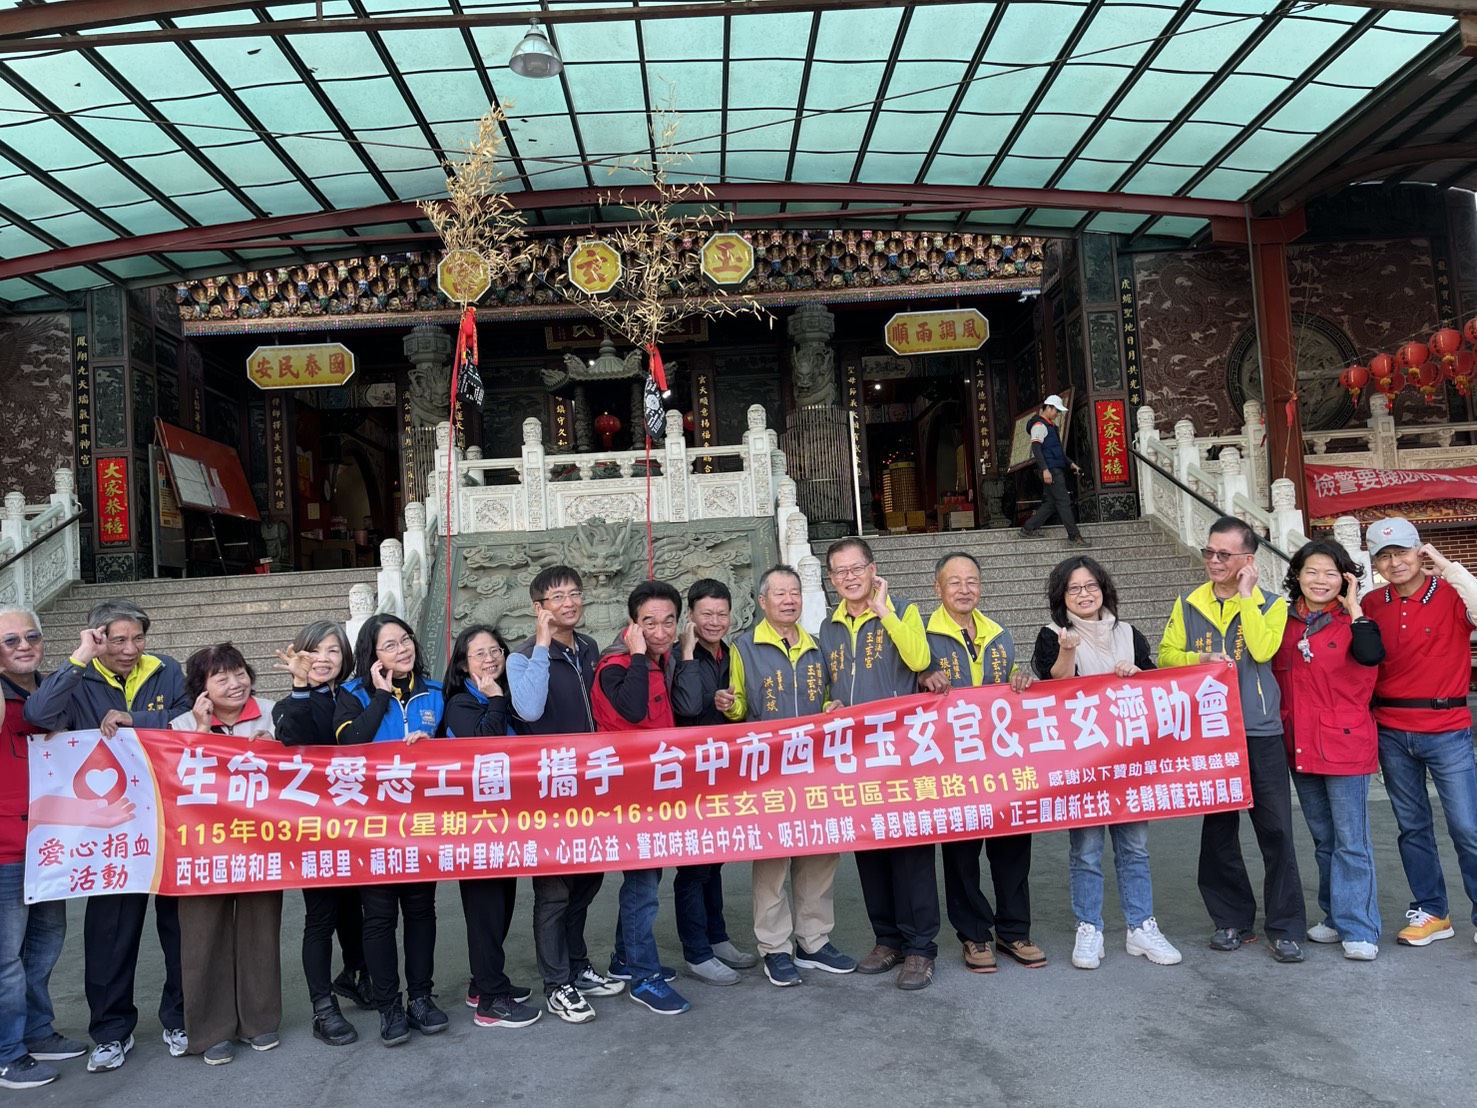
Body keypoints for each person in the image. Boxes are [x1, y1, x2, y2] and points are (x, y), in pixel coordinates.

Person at [24, 599, 190, 1071]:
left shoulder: (166, 670)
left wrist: (136, 719)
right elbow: (39, 715)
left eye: (138, 638)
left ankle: (179, 1018)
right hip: (109, 832)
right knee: (110, 934)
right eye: (118, 640)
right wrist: (80, 656)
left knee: (181, 929)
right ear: (97, 638)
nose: (130, 649)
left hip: (170, 820)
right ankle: (111, 1031)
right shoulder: (76, 678)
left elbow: (189, 719)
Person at [1159, 517, 1306, 963]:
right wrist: (1199, 657)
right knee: (1219, 832)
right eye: (1209, 552)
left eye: (1225, 554)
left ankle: (1285, 927)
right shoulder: (1189, 602)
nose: (1214, 561)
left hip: (1259, 729)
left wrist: (1245, 596)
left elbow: (1261, 650)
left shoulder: (1272, 605)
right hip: (1211, 733)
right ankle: (1231, 920)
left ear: (1248, 560)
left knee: (1276, 830)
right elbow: (1165, 657)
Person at [1031, 556, 1181, 970]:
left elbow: (1156, 691)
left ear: (1103, 588)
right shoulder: (1052, 635)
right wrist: (1067, 652)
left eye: (1091, 586)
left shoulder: (1129, 634)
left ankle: (1141, 927)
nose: (1084, 594)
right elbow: (1054, 687)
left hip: (1129, 764)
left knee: (1135, 848)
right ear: (1061, 596)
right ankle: (1089, 928)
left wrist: (1137, 673)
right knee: (1086, 849)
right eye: (1074, 588)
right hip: (1082, 765)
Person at [504, 567, 624, 1022]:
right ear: (539, 608)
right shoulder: (521, 658)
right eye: (557, 597)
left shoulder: (588, 647)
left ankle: (576, 965)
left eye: (575, 593)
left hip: (592, 785)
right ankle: (557, 985)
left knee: (588, 880)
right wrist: (541, 643)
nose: (569, 603)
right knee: (554, 891)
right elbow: (530, 708)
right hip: (550, 791)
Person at [725, 565, 849, 987]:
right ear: (762, 602)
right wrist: (729, 705)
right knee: (773, 860)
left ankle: (814, 940)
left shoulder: (816, 646)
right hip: (770, 773)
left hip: (815, 770)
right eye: (779, 593)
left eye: (794, 592)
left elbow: (829, 696)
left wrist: (831, 707)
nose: (789, 599)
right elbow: (740, 707)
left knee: (819, 856)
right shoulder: (743, 648)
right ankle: (775, 948)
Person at [921, 552, 1043, 976]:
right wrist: (922, 677)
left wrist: (1022, 679)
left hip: (1003, 763)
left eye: (971, 581)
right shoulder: (923, 636)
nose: (964, 589)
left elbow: (1011, 681)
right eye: (954, 582)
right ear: (937, 588)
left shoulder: (999, 634)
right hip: (952, 766)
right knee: (961, 855)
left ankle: (1014, 931)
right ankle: (974, 934)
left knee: (1013, 850)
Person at [819, 538, 930, 989]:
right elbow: (832, 684)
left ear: (873, 569)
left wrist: (885, 612)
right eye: (840, 571)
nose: (849, 577)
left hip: (901, 754)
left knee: (910, 852)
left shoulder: (904, 610)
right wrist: (830, 705)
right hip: (857, 758)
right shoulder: (828, 627)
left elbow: (920, 659)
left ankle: (920, 948)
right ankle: (887, 940)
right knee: (869, 848)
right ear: (831, 579)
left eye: (856, 568)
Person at [1362, 517, 1477, 948]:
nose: (1395, 563)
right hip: (1392, 730)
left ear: (1419, 552)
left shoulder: (1451, 594)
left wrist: (1447, 566)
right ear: (1375, 563)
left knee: (1467, 827)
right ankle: (1432, 911)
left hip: (1447, 729)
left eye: (1403, 552)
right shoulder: (1372, 603)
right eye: (1384, 556)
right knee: (1412, 827)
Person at [334, 615, 448, 1046]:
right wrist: (381, 695)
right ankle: (389, 1006)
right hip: (372, 826)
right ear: (372, 655)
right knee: (380, 918)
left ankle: (420, 998)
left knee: (421, 911)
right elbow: (351, 744)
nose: (403, 649)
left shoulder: (434, 691)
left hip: (421, 824)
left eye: (406, 640)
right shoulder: (352, 694)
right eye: (390, 645)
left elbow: (459, 751)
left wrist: (435, 748)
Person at [1271, 540, 1384, 961]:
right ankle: (1336, 916)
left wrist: (1354, 608)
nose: (1320, 581)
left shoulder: (1356, 622)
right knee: (1324, 839)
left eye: (1331, 573)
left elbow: (1371, 656)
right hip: (1299, 745)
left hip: (1345, 744)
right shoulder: (1282, 622)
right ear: (1297, 576)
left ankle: (1360, 928)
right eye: (1311, 572)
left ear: (1346, 579)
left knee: (1351, 842)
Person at [169, 644, 282, 1065]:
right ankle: (210, 1031)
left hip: (260, 844)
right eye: (221, 678)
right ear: (201, 688)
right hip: (200, 849)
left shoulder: (272, 714)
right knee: (202, 937)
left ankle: (260, 1021)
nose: (235, 684)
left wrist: (277, 745)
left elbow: (299, 770)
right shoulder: (182, 724)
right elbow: (176, 782)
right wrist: (201, 730)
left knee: (260, 931)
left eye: (240, 673)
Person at [592, 580, 691, 1016]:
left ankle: (624, 959)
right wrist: (635, 654)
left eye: (669, 621)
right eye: (649, 623)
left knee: (647, 880)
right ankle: (643, 978)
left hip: (656, 791)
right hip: (630, 797)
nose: (661, 631)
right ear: (632, 625)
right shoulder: (617, 665)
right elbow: (632, 711)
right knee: (643, 886)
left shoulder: (659, 659)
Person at [0, 608, 85, 1088]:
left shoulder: (55, 686)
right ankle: (6, 1052)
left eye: (31, 636)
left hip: (50, 844)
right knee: (5, 959)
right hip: (5, 848)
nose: (24, 645)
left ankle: (35, 1031)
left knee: (44, 945)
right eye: (10, 640)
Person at [273, 620, 366, 1048]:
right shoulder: (289, 703)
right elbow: (294, 738)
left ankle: (356, 975)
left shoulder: (355, 697)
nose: (324, 659)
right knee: (321, 916)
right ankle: (322, 1007)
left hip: (362, 825)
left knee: (356, 909)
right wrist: (299, 686)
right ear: (298, 654)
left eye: (334, 651)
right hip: (315, 830)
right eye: (315, 651)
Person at [440, 626, 537, 1028]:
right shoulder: (461, 703)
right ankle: (491, 1003)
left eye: (495, 650)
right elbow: (487, 745)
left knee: (500, 908)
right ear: (464, 665)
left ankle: (483, 984)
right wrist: (496, 699)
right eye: (479, 654)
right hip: (475, 828)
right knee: (485, 912)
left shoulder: (505, 695)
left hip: (505, 825)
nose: (490, 659)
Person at [669, 579, 758, 986]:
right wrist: (687, 652)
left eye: (722, 613)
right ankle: (697, 953)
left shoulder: (732, 653)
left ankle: (717, 937)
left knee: (714, 858)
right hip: (687, 775)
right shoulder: (676, 657)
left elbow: (744, 705)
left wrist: (733, 705)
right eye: (706, 613)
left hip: (723, 773)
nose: (715, 621)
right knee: (693, 866)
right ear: (690, 615)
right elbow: (687, 707)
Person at [1018, 394, 1089, 547]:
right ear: (1048, 408)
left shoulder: (1051, 426)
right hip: (1051, 470)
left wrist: (1071, 464)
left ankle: (1028, 528)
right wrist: (1045, 470)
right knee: (1064, 501)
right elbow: (1036, 449)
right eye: (1056, 410)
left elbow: (1058, 452)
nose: (1058, 414)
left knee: (1051, 503)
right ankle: (1074, 536)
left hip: (1054, 468)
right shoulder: (1039, 425)